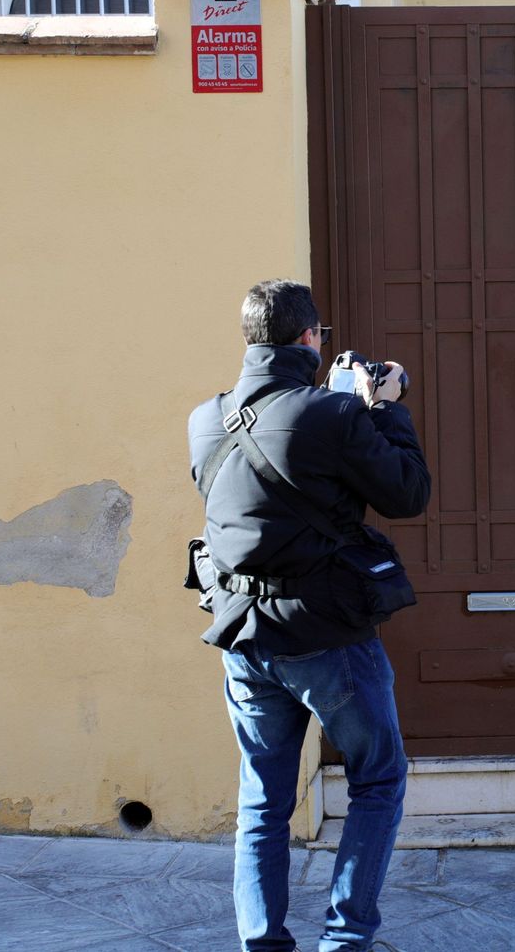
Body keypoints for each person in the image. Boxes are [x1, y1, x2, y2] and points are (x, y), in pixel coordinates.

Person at [188, 279, 430, 952]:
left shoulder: (203, 419)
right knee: (377, 779)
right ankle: (345, 941)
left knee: (263, 804)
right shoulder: (333, 414)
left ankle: (262, 944)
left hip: (243, 635)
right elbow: (407, 492)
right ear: (310, 338)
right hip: (328, 638)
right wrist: (382, 406)